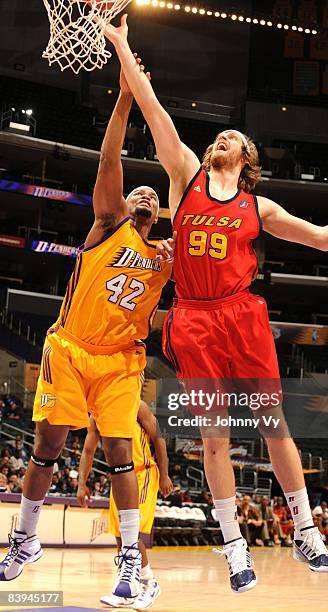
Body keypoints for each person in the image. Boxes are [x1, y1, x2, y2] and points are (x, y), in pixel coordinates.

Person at [103, 14, 328, 593]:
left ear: (247, 158)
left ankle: (306, 532)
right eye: (219, 137)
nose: (221, 141)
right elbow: (154, 110)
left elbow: (319, 238)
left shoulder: (258, 208)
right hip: (192, 317)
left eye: (232, 141)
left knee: (273, 425)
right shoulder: (185, 175)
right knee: (215, 438)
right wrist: (120, 42)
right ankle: (234, 547)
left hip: (242, 315)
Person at [0, 61, 172, 603]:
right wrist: (123, 99)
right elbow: (110, 160)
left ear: (161, 211)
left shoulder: (167, 258)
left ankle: (128, 563)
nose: (143, 195)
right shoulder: (106, 223)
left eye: (152, 194)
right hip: (70, 347)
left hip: (122, 359)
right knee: (48, 444)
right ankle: (25, 539)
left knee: (121, 446)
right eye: (136, 192)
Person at [77, 400, 173, 609]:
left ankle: (150, 584)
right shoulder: (97, 413)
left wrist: (164, 475)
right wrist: (81, 483)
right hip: (119, 476)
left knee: (133, 533)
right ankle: (129, 588)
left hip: (143, 472)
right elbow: (87, 451)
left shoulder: (137, 405)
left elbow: (159, 438)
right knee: (121, 535)